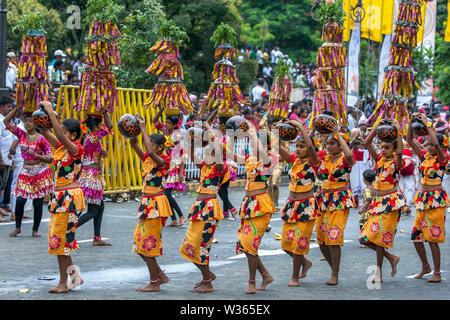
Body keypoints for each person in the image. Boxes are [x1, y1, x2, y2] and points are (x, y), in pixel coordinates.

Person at [39, 101, 85, 293]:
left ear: (73, 136)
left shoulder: (76, 149)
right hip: (61, 198)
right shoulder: (61, 148)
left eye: (65, 132)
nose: (61, 134)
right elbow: (45, 131)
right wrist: (41, 117)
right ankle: (75, 278)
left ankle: (63, 283)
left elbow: (57, 134)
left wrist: (51, 113)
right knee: (63, 239)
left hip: (69, 198)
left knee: (61, 241)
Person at [179, 121, 228, 293]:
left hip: (209, 209)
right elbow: (190, 152)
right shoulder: (204, 168)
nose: (207, 154)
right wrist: (189, 137)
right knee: (188, 246)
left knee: (202, 246)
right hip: (199, 208)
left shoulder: (220, 168)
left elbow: (219, 154)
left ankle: (207, 282)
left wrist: (210, 131)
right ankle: (208, 276)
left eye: (210, 153)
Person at [129, 117, 172, 292]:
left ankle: (155, 282)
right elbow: (134, 144)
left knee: (148, 244)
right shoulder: (148, 158)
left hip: (156, 204)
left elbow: (149, 151)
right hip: (147, 203)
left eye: (152, 144)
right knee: (139, 244)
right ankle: (159, 275)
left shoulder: (164, 160)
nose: (149, 147)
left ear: (160, 147)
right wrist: (132, 131)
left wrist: (144, 129)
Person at [232, 123, 275, 294]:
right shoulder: (250, 158)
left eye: (254, 142)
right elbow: (230, 155)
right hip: (248, 204)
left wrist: (252, 132)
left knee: (250, 245)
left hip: (261, 204)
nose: (251, 145)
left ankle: (252, 282)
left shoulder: (270, 159)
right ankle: (265, 275)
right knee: (245, 244)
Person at [359, 119, 404, 283]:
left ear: (394, 148)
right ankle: (391, 258)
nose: (383, 150)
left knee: (378, 239)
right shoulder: (378, 159)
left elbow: (400, 152)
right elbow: (367, 141)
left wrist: (398, 130)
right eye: (382, 147)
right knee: (365, 238)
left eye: (387, 147)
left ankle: (379, 273)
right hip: (377, 202)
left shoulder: (397, 162)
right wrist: (377, 126)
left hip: (390, 203)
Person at [407, 113, 449, 283]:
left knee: (432, 238)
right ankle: (425, 266)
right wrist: (411, 122)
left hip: (436, 200)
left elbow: (438, 144)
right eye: (428, 144)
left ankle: (437, 272)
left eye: (432, 145)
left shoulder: (442, 158)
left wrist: (429, 126)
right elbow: (410, 140)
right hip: (423, 199)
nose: (430, 147)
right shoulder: (424, 156)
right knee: (416, 236)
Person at [279, 119, 319, 287]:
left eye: (302, 146)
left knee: (297, 244)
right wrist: (272, 131)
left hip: (306, 206)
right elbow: (277, 148)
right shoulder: (294, 160)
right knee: (286, 244)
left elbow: (310, 147)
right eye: (298, 146)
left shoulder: (314, 162)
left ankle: (294, 277)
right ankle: (304, 262)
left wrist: (301, 127)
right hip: (291, 205)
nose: (299, 149)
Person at [315, 120, 355, 285]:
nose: (329, 146)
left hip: (339, 200)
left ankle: (335, 273)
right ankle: (334, 269)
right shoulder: (323, 157)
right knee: (321, 238)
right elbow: (311, 147)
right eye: (328, 143)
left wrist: (338, 133)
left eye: (333, 144)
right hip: (323, 200)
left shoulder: (346, 161)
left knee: (334, 237)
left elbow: (350, 156)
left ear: (340, 145)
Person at [3, 108, 53, 237]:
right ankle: (18, 227)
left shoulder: (42, 139)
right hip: (26, 170)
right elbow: (6, 121)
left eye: (30, 121)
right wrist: (16, 109)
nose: (27, 123)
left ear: (36, 123)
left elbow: (50, 158)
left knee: (37, 201)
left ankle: (35, 229)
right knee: (20, 200)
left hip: (40, 171)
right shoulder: (21, 134)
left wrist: (36, 155)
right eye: (26, 120)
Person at [76, 112, 113, 246]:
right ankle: (69, 229)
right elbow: (110, 127)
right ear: (96, 127)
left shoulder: (91, 138)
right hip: (91, 177)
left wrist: (102, 154)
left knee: (100, 206)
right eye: (100, 124)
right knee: (93, 210)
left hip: (92, 175)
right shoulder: (92, 137)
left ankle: (97, 237)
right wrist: (105, 111)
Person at [152, 107, 187, 227]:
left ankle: (181, 217)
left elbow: (183, 154)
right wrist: (162, 109)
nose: (165, 124)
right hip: (166, 165)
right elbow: (154, 120)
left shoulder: (178, 135)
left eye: (168, 123)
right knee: (166, 194)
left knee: (166, 194)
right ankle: (174, 219)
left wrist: (181, 172)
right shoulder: (166, 132)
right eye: (165, 122)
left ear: (174, 125)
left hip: (175, 167)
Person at [0, 96, 14, 221]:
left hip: (6, 157)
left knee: (3, 185)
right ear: (1, 107)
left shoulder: (4, 120)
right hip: (2, 157)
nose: (10, 109)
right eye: (8, 106)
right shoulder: (0, 120)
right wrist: (1, 159)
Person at [358, 170, 376, 248]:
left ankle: (366, 241)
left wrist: (362, 208)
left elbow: (368, 200)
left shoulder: (367, 189)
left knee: (364, 225)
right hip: (373, 209)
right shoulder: (374, 187)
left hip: (367, 211)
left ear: (364, 179)